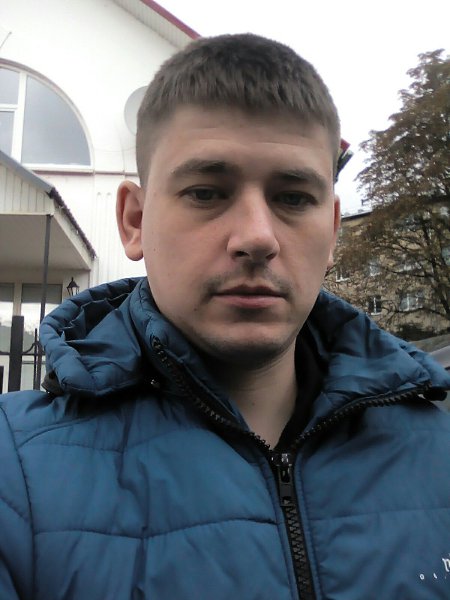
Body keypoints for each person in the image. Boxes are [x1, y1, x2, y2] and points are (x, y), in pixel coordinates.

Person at [0, 34, 449, 600]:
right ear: (135, 221)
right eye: (207, 193)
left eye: (293, 198)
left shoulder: (439, 450)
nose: (257, 238)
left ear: (333, 229)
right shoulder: (13, 469)